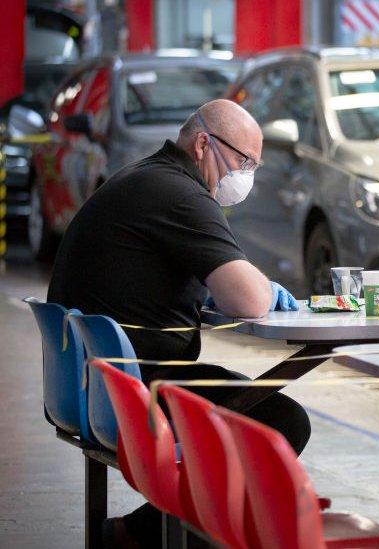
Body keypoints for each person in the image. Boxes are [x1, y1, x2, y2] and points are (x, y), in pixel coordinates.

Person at [47, 99, 311, 548]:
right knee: (279, 420)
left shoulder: (145, 177)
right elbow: (246, 298)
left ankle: (147, 533)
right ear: (204, 144)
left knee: (255, 404)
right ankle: (149, 535)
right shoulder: (181, 193)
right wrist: (264, 288)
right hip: (133, 392)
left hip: (92, 385)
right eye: (244, 161)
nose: (246, 175)